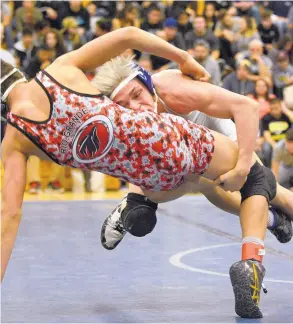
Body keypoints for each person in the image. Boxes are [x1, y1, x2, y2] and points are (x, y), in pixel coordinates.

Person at [0, 27, 285, 319]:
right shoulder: (58, 72)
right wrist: (183, 56)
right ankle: (252, 261)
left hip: (149, 178)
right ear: (17, 73)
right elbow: (128, 35)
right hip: (170, 141)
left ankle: (136, 203)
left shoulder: (14, 142)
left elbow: (9, 218)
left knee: (212, 184)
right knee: (256, 178)